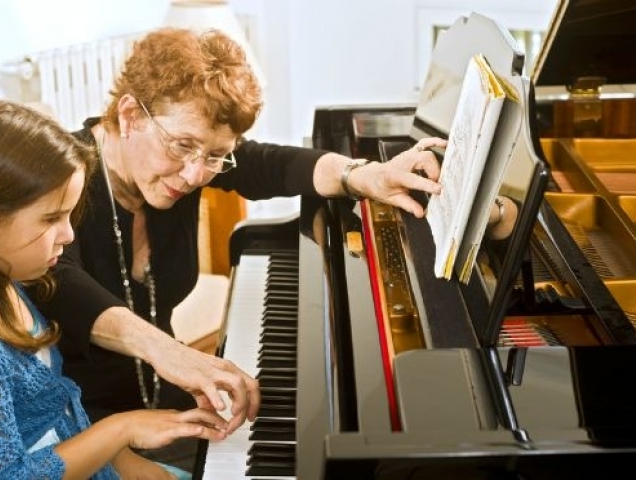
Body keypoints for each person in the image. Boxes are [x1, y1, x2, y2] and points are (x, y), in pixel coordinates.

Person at [31, 27, 446, 473]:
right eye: (183, 145)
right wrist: (174, 355)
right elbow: (62, 285)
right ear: (130, 115)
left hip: (164, 409)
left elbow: (272, 164)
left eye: (214, 155)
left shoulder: (184, 167)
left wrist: (361, 175)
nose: (194, 175)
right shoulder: (60, 180)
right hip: (81, 433)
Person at [0, 97, 228, 479]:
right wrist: (122, 429)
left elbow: (61, 420)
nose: (68, 235)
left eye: (69, 215)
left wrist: (148, 471)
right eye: (51, 219)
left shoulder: (14, 285)